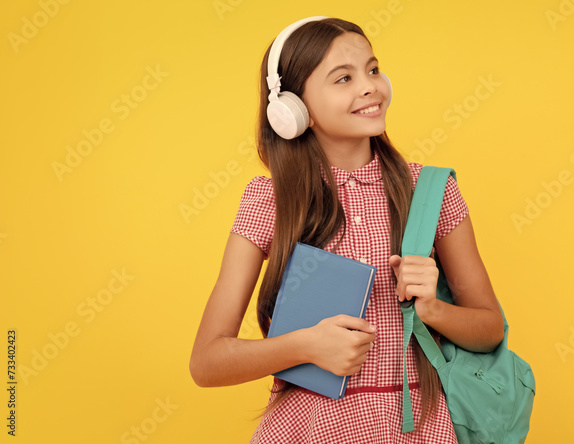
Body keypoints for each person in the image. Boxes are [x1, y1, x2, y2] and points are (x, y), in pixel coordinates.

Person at [188, 16, 505, 443]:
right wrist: (305, 346)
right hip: (308, 429)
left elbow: (490, 331)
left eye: (373, 70)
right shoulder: (270, 201)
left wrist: (433, 310)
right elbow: (206, 362)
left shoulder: (430, 191)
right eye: (344, 78)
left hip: (415, 428)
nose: (370, 86)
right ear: (295, 110)